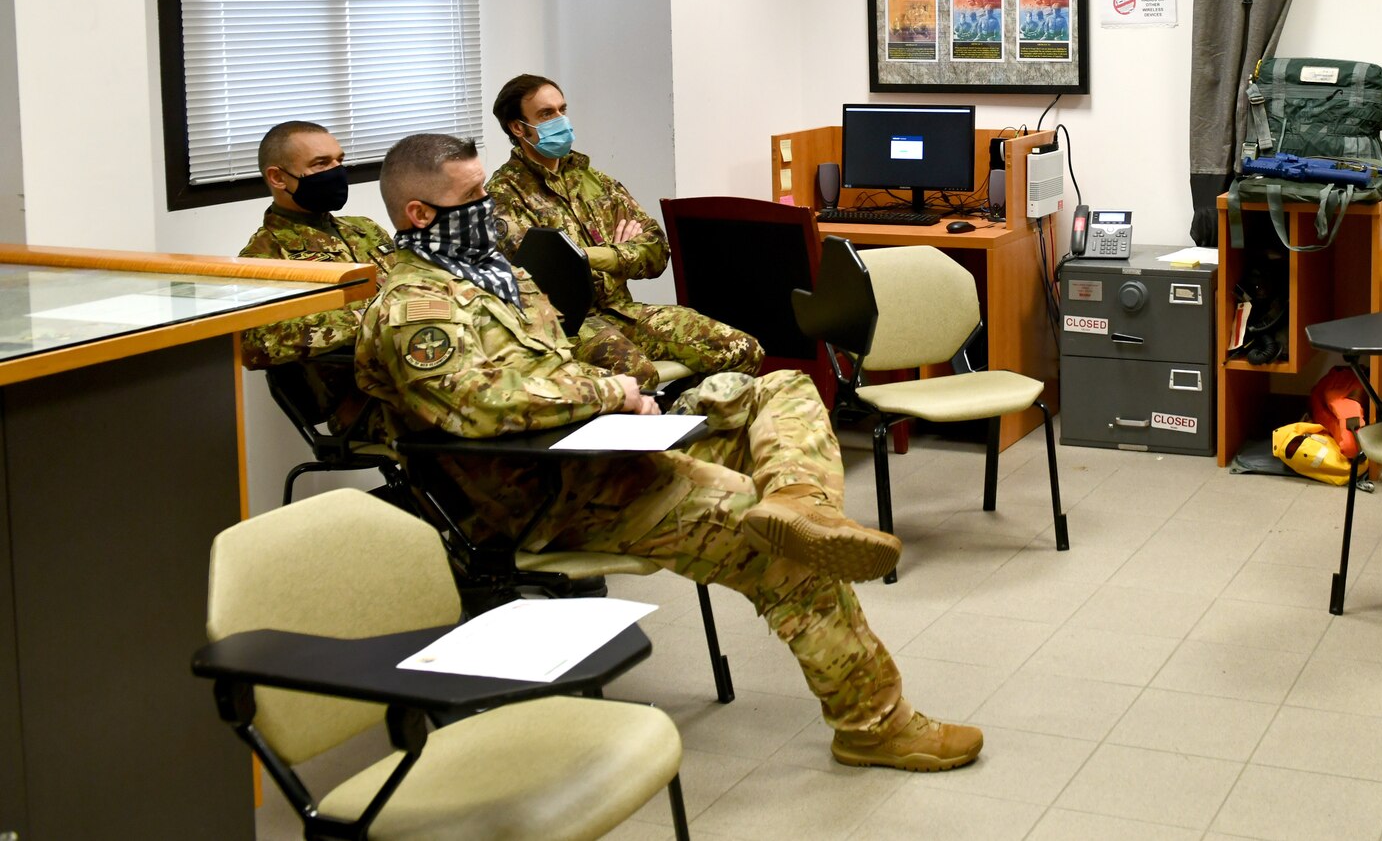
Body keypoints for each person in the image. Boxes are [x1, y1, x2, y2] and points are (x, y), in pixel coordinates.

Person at [354, 133, 981, 769]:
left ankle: (799, 500)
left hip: (605, 450)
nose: (488, 206)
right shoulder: (412, 308)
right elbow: (480, 405)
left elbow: (561, 361)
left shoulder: (498, 276)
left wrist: (628, 393)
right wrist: (607, 392)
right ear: (420, 214)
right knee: (775, 548)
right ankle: (874, 725)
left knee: (778, 390)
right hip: (550, 491)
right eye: (473, 196)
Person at [487, 74, 760, 387]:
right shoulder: (502, 197)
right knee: (636, 378)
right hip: (568, 327)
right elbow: (544, 282)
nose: (560, 120)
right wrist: (618, 257)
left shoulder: (594, 182)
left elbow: (657, 251)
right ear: (518, 128)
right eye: (547, 114)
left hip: (623, 311)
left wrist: (604, 256)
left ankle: (681, 419)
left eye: (562, 109)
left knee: (742, 349)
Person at [237, 121, 393, 429]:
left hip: (418, 373)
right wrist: (369, 317)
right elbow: (254, 344)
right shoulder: (265, 256)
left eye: (339, 160)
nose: (337, 171)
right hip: (361, 404)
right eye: (320, 164)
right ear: (278, 177)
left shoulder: (365, 230)